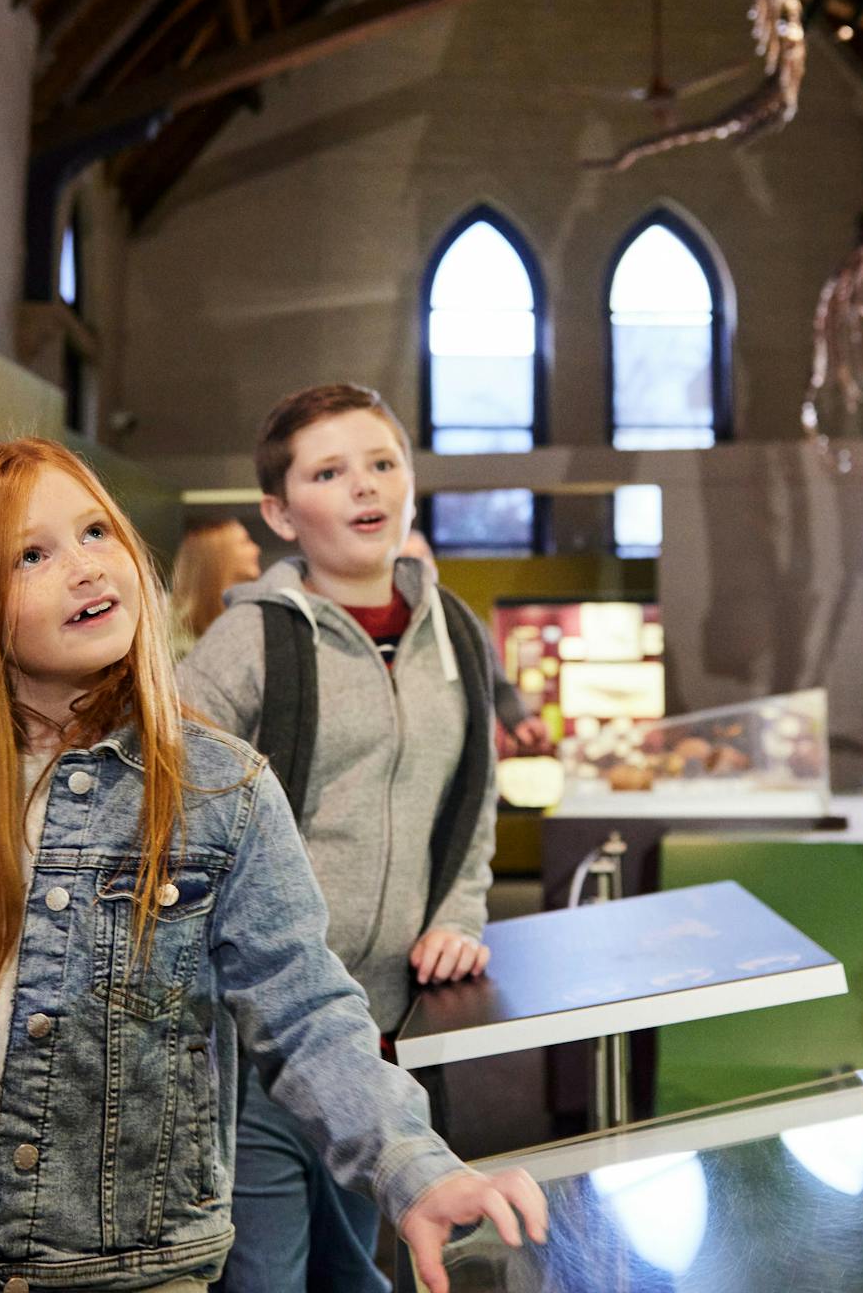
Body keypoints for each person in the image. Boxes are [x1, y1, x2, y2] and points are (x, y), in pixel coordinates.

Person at [0, 436, 544, 1293]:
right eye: (32, 554)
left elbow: (307, 1008)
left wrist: (413, 1166)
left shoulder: (219, 793)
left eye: (97, 532)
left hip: (135, 1268)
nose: (88, 568)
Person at [179, 385, 503, 1293]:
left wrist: (460, 911)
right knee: (266, 1278)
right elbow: (170, 804)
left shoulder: (460, 637)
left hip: (380, 1038)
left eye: (382, 463)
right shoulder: (248, 643)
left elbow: (473, 799)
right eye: (329, 472)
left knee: (355, 1267)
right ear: (282, 512)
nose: (365, 487)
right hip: (256, 1036)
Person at [399, 529, 553, 757]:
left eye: (424, 557)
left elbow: (496, 684)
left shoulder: (463, 624)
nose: (419, 567)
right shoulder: (379, 629)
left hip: (462, 759)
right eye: (406, 560)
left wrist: (520, 721)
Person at [167, 517, 262, 660]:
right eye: (245, 542)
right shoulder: (180, 643)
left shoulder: (249, 612)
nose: (256, 549)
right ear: (219, 555)